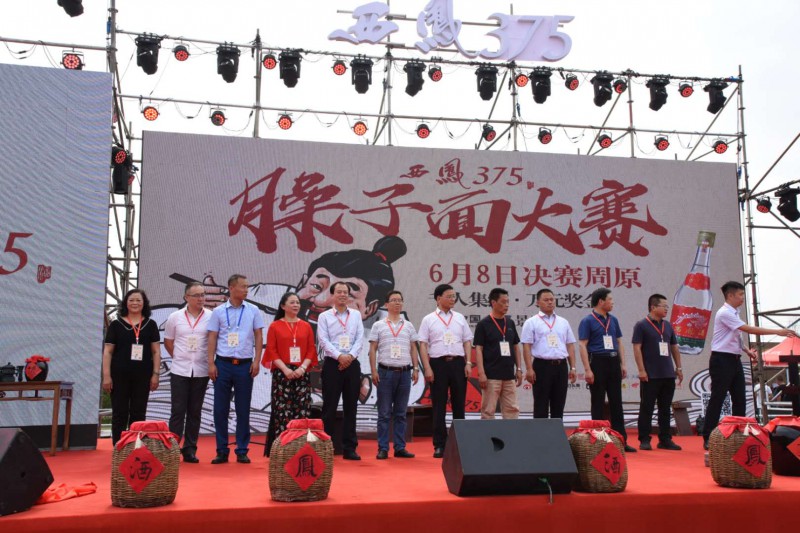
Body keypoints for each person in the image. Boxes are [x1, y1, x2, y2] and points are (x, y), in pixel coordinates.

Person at [703, 281, 796, 449]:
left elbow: (736, 336)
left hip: (734, 359)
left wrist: (746, 350)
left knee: (740, 398)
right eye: (740, 295)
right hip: (721, 359)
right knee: (718, 397)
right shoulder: (724, 312)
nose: (742, 298)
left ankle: (738, 435)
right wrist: (777, 331)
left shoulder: (735, 312)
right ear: (730, 295)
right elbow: (748, 329)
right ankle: (708, 436)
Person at [207, 274, 264, 464]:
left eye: (247, 286)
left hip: (245, 365)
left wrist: (257, 361)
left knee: (243, 409)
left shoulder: (253, 310)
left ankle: (242, 449)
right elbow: (212, 337)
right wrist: (211, 363)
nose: (246, 290)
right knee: (220, 409)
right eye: (243, 286)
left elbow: (258, 335)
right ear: (231, 288)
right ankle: (222, 450)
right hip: (223, 364)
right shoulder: (218, 311)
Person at [418, 284, 474, 458]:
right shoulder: (429, 319)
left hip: (458, 363)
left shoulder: (459, 318)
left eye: (454, 296)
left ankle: (459, 444)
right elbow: (423, 344)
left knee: (459, 405)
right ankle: (439, 445)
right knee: (439, 406)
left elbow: (467, 341)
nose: (452, 299)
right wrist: (427, 367)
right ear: (438, 298)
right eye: (449, 296)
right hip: (438, 364)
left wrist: (468, 363)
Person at [578, 288, 636, 453]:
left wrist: (623, 364)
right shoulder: (587, 321)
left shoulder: (613, 320)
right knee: (597, 402)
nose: (612, 302)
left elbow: (619, 342)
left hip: (613, 361)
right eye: (610, 299)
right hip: (597, 361)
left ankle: (621, 440)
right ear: (601, 301)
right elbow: (582, 345)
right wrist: (587, 369)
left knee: (616, 402)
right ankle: (599, 441)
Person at [262, 292, 318, 456]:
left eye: (297, 302)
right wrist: (285, 369)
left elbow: (311, 350)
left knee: (302, 410)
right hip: (282, 373)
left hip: (302, 372)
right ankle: (283, 449)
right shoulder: (275, 326)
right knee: (282, 411)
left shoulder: (306, 326)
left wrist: (302, 368)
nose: (296, 305)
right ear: (283, 306)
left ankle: (301, 448)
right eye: (292, 302)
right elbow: (271, 350)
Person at [102, 289, 161, 445]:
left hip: (143, 376)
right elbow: (108, 351)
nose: (135, 303)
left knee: (138, 412)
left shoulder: (151, 324)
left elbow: (156, 351)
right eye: (131, 300)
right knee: (119, 413)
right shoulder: (116, 324)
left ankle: (135, 447)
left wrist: (156, 374)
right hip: (118, 375)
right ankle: (119, 447)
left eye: (138, 300)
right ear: (126, 303)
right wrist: (106, 376)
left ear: (144, 303)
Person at [163, 282, 211, 463]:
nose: (201, 298)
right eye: (196, 295)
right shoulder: (175, 317)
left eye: (203, 294)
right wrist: (179, 357)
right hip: (179, 370)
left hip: (201, 370)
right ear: (186, 297)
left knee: (195, 412)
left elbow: (214, 341)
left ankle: (190, 449)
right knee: (178, 410)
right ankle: (173, 448)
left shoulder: (211, 316)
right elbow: (168, 341)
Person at [368, 290, 419, 459]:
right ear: (386, 304)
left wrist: (416, 368)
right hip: (385, 372)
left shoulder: (408, 325)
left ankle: (399, 447)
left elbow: (413, 348)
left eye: (400, 300)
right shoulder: (378, 325)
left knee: (401, 413)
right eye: (394, 300)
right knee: (384, 413)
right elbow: (372, 349)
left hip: (405, 373)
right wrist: (373, 371)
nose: (397, 303)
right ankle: (383, 448)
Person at [317, 281, 365, 460]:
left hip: (352, 364)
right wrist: (339, 356)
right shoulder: (324, 316)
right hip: (332, 364)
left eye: (346, 292)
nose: (343, 295)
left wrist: (349, 356)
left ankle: (349, 448)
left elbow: (360, 338)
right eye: (339, 292)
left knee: (351, 407)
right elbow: (323, 340)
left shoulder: (356, 315)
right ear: (333, 295)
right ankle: (326, 447)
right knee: (329, 407)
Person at [632, 294, 683, 451]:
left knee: (665, 408)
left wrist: (679, 368)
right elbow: (637, 348)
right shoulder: (641, 325)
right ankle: (644, 439)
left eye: (667, 306)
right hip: (650, 374)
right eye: (664, 306)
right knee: (646, 407)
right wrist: (641, 370)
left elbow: (674, 347)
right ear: (653, 307)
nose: (667, 309)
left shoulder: (668, 325)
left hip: (668, 373)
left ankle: (665, 439)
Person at [521, 288, 577, 419]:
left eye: (552, 299)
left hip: (561, 366)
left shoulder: (563, 322)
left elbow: (570, 345)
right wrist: (529, 369)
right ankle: (541, 432)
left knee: (559, 404)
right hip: (542, 366)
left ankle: (556, 432)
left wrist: (573, 367)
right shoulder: (531, 322)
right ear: (537, 302)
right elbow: (526, 346)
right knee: (541, 404)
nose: (550, 302)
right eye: (546, 300)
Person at [473, 288, 523, 420]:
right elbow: (478, 349)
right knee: (488, 411)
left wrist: (519, 369)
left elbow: (516, 347)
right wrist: (481, 373)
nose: (507, 305)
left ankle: (511, 433)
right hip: (491, 376)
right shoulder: (483, 324)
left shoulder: (510, 323)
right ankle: (489, 434)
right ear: (493, 303)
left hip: (509, 375)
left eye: (508, 302)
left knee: (512, 410)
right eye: (503, 302)